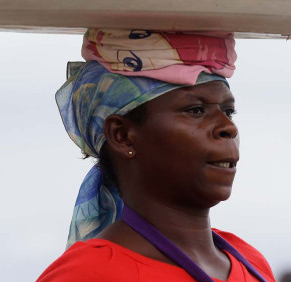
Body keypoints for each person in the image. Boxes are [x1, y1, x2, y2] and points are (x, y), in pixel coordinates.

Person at [37, 29, 276, 282]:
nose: (228, 127)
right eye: (195, 110)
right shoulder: (89, 274)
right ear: (122, 135)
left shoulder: (249, 261)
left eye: (228, 111)